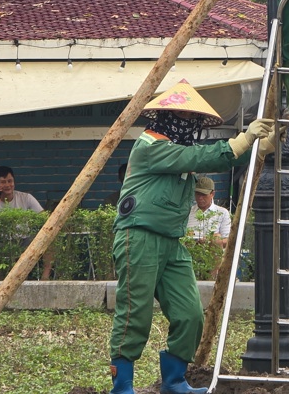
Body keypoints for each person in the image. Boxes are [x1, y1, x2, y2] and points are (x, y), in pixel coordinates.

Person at [108, 80, 277, 394]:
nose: (191, 126)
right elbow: (200, 158)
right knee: (135, 313)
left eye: (194, 120)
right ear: (166, 117)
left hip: (171, 242)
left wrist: (256, 150)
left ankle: (173, 381)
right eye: (185, 118)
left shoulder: (178, 150)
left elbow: (204, 158)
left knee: (190, 314)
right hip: (138, 237)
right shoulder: (150, 144)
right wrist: (243, 140)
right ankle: (122, 387)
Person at [0, 165, 52, 280]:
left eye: (10, 181)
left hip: (23, 240)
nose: (7, 185)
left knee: (50, 233)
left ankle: (45, 276)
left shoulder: (26, 197)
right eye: (3, 182)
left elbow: (44, 218)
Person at [187, 176, 231, 248]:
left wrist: (211, 241)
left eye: (204, 194)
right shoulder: (188, 212)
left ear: (212, 194)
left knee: (216, 238)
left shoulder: (222, 213)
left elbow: (228, 240)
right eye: (198, 194)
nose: (200, 198)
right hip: (191, 253)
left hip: (212, 255)